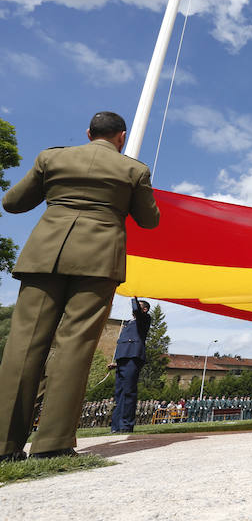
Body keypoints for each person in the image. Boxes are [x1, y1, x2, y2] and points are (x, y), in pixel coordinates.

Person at [0, 112, 160, 461]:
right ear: (121, 136)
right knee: (75, 346)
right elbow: (149, 221)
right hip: (98, 261)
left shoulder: (51, 158)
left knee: (23, 345)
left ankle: (4, 444)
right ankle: (53, 443)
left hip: (44, 256)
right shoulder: (134, 170)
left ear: (88, 133)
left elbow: (12, 203)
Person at [109, 298, 152, 433]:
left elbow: (136, 310)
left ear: (144, 309)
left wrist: (134, 295)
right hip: (123, 359)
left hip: (133, 358)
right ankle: (116, 426)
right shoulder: (128, 323)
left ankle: (126, 425)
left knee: (128, 391)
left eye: (139, 307)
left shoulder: (144, 319)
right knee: (119, 393)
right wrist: (116, 362)